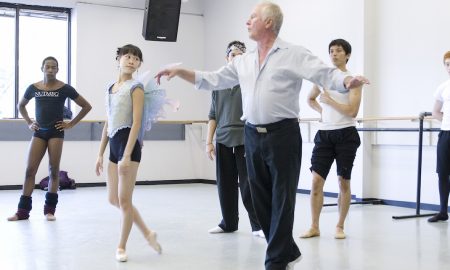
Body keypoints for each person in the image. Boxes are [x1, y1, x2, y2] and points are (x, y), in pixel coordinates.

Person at [155, 2, 369, 269]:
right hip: (252, 135)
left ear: (268, 22)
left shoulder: (293, 54)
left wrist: (346, 81)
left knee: (282, 197)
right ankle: (286, 250)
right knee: (259, 199)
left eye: (252, 17)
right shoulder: (243, 61)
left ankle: (276, 261)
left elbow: (323, 73)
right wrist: (180, 71)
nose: (247, 21)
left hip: (283, 135)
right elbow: (213, 79)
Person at [95, 44, 162, 262]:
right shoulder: (110, 88)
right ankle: (147, 233)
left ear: (139, 64)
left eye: (136, 58)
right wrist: (99, 153)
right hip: (114, 145)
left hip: (128, 146)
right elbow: (108, 121)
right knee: (113, 199)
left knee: (125, 201)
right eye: (128, 56)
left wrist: (126, 155)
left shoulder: (137, 87)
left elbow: (136, 122)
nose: (131, 61)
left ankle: (121, 247)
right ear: (119, 59)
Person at [7, 56, 92, 222]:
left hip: (56, 133)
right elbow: (21, 106)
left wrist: (71, 124)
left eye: (54, 67)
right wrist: (29, 122)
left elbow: (86, 106)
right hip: (39, 133)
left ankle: (49, 210)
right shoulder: (33, 88)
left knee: (53, 170)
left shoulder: (65, 88)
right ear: (42, 68)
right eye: (48, 67)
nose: (51, 70)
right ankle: (22, 212)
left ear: (58, 70)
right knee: (29, 170)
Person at [300, 39, 362, 240]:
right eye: (331, 51)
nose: (334, 54)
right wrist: (322, 112)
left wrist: (330, 102)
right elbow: (310, 99)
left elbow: (352, 111)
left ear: (347, 55)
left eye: (338, 51)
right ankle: (314, 226)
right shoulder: (323, 79)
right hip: (325, 135)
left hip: (346, 134)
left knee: (343, 182)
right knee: (316, 181)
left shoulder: (353, 80)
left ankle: (339, 226)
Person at [206, 40, 264, 238]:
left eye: (241, 54)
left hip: (244, 137)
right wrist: (208, 142)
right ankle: (228, 223)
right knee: (225, 183)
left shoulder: (250, 80)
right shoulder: (218, 84)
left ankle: (257, 225)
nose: (236, 57)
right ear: (227, 58)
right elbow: (212, 115)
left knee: (248, 184)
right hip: (222, 138)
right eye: (233, 54)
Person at [429, 50, 450, 223]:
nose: (449, 68)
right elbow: (436, 111)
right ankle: (443, 211)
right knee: (442, 173)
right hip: (446, 134)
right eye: (447, 64)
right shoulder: (443, 87)